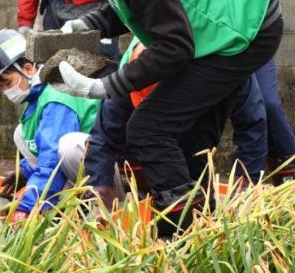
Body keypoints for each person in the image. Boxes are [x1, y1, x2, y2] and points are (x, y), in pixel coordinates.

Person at [4, 0, 283, 237]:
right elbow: (134, 3)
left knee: (149, 128)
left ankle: (181, 239)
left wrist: (104, 87)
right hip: (236, 14)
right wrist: (83, 26)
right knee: (187, 136)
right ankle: (205, 234)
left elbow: (174, 47)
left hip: (242, 26)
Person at [85, 38, 270, 210]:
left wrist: (248, 180)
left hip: (206, 88)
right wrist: (99, 192)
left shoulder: (225, 68)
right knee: (143, 139)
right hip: (143, 146)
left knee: (196, 168)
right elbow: (103, 139)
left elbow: (252, 122)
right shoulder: (130, 78)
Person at [0, 29, 101, 222]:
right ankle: (56, 200)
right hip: (84, 165)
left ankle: (85, 207)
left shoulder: (56, 97)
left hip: (107, 173)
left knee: (66, 147)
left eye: (7, 83)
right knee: (22, 133)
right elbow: (45, 144)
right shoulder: (39, 97)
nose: (6, 91)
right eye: (0, 87)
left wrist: (26, 208)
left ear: (28, 68)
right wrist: (25, 170)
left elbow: (53, 161)